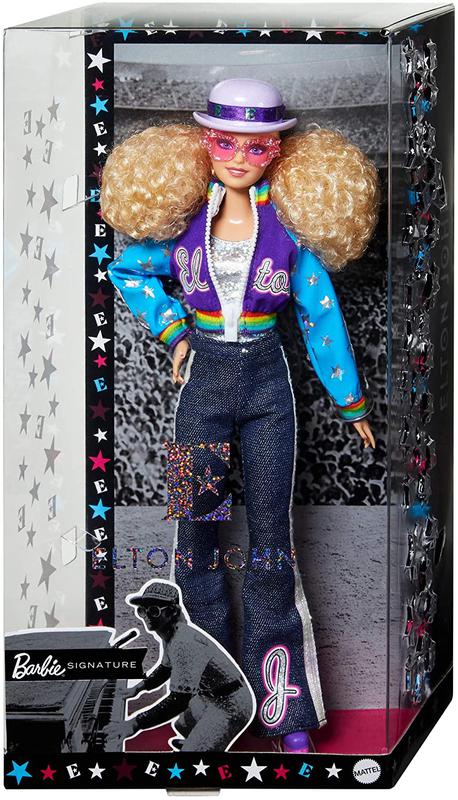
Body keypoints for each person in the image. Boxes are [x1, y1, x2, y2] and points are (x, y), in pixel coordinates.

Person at [101, 78, 379, 752]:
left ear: (278, 151)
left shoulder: (287, 235)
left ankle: (283, 704)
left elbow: (319, 316)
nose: (238, 157)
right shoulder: (184, 227)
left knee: (272, 541)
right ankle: (209, 699)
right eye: (225, 143)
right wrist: (174, 330)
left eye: (256, 147)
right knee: (194, 532)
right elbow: (127, 270)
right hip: (201, 392)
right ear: (204, 142)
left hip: (266, 391)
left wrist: (351, 402)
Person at [103, 579, 255, 752]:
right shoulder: (170, 634)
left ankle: (202, 746)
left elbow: (178, 702)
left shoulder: (183, 642)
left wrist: (134, 724)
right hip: (209, 696)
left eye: (153, 611)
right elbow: (164, 670)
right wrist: (137, 689)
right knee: (182, 724)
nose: (146, 617)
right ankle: (199, 739)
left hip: (231, 705)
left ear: (172, 612)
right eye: (142, 610)